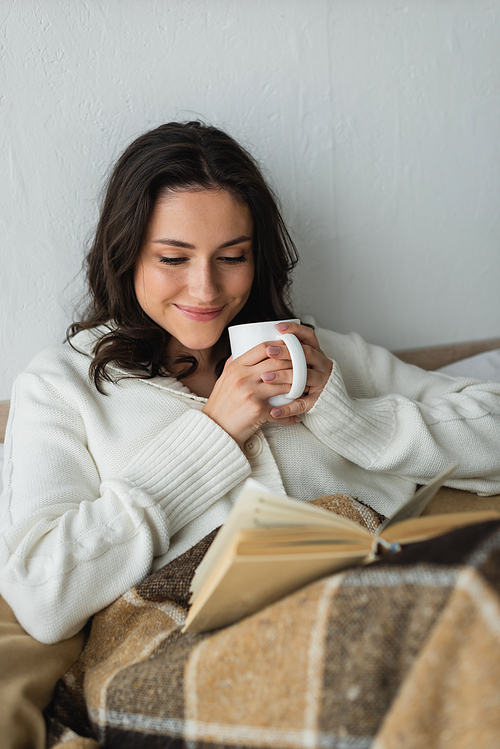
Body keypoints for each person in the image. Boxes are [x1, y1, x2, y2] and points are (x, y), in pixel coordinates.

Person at [2, 120, 500, 653]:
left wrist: (351, 419)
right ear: (126, 255)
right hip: (197, 651)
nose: (205, 288)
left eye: (232, 257)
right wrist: (212, 434)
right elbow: (40, 596)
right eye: (173, 258)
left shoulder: (314, 353)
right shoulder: (63, 386)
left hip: (382, 615)